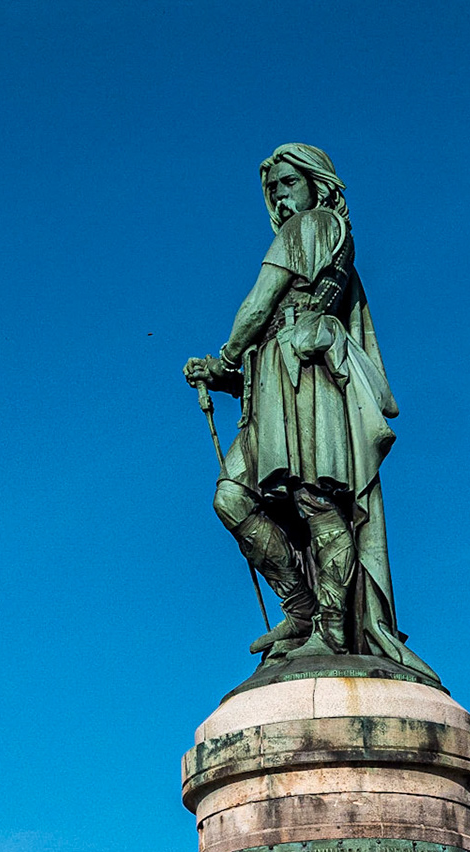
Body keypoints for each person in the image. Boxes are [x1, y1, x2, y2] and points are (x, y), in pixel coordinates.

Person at [185, 144, 436, 680]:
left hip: (307, 384)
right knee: (233, 497)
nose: (278, 195)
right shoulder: (314, 233)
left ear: (316, 184)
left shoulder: (312, 225)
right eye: (272, 187)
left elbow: (261, 303)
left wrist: (225, 354)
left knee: (314, 497)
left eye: (287, 182)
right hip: (273, 384)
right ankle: (301, 611)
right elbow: (270, 326)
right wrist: (226, 374)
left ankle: (333, 629)